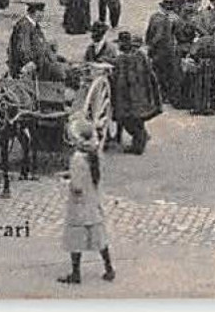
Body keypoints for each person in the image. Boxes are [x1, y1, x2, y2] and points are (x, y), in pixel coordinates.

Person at [59, 118, 116, 285]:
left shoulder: (77, 158)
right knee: (99, 237)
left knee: (75, 239)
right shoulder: (96, 155)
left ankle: (76, 273)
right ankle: (109, 268)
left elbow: (77, 186)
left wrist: (68, 181)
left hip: (79, 204)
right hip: (93, 202)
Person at [110, 32, 162, 153]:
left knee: (130, 119)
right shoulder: (140, 55)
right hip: (142, 92)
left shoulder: (126, 58)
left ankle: (138, 144)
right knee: (138, 118)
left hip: (132, 94)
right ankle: (139, 140)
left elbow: (118, 66)